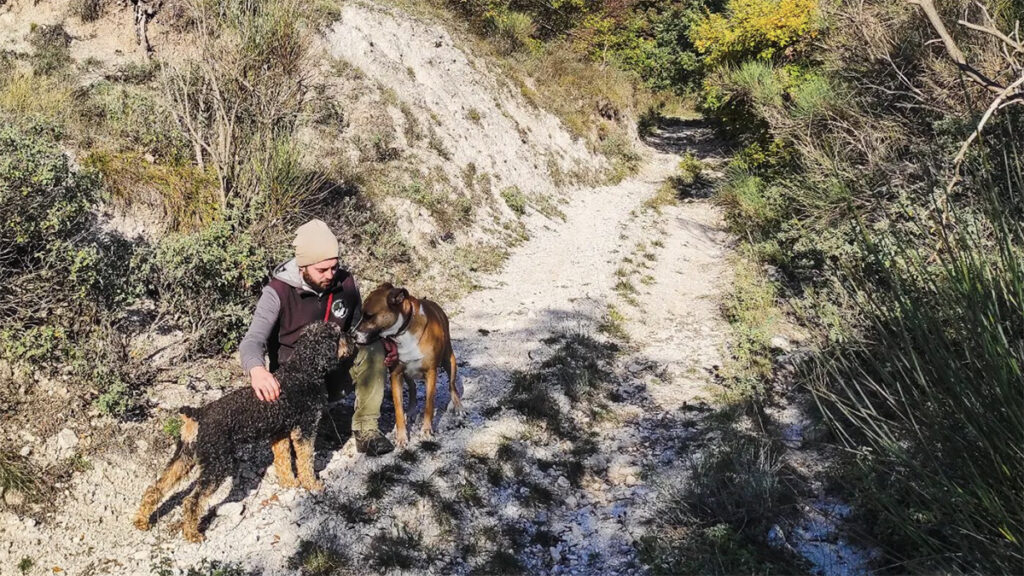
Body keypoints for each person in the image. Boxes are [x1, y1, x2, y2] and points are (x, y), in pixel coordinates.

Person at [238, 219, 394, 456]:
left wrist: (386, 342)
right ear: (302, 266)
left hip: (335, 370)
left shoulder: (346, 283)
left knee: (373, 349)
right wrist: (257, 370)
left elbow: (358, 329)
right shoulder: (277, 292)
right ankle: (298, 428)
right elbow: (252, 340)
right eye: (321, 270)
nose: (330, 275)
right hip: (293, 380)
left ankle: (367, 431)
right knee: (300, 431)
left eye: (334, 267)